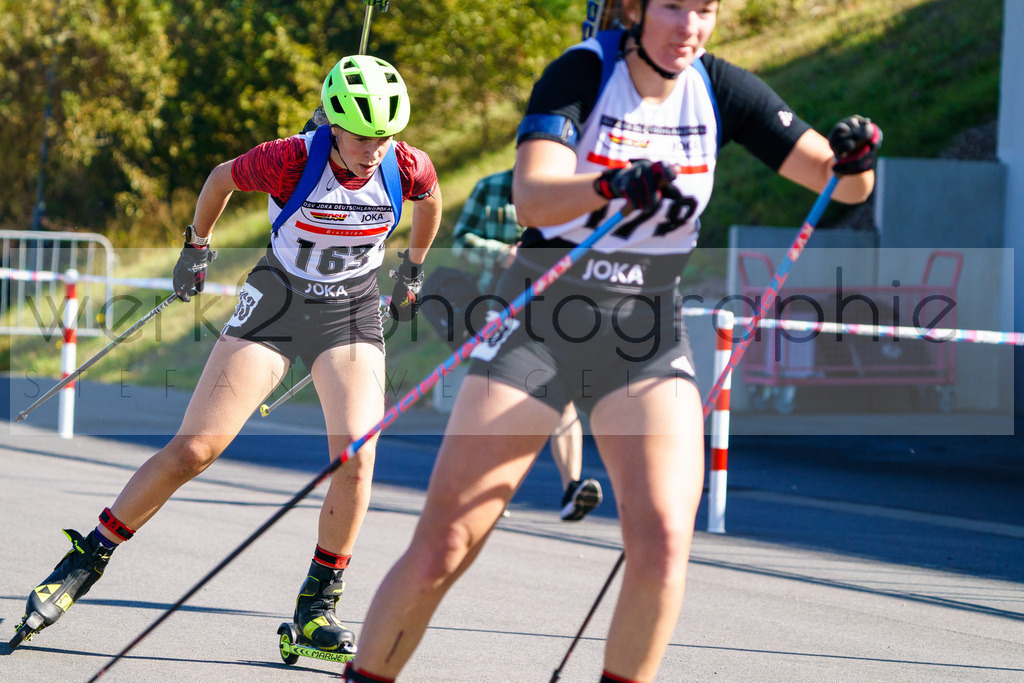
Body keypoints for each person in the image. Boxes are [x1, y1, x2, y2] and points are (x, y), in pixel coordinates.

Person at [345, 0, 880, 679]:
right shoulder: (582, 73)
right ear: (636, 7)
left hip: (644, 329)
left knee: (661, 540)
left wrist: (857, 159)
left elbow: (839, 185)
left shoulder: (722, 89)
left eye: (706, 8)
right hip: (543, 317)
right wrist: (611, 182)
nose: (690, 23)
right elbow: (533, 198)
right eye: (673, 6)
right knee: (448, 540)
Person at [11, 54, 442, 654]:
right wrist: (197, 246)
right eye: (364, 134)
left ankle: (317, 606)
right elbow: (220, 178)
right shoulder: (291, 158)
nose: (376, 149)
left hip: (349, 311)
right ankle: (87, 558)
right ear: (334, 122)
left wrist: (413, 270)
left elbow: (431, 197)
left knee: (357, 455)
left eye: (386, 135)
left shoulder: (404, 165)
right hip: (277, 304)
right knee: (196, 447)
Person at [451, 168, 603, 522]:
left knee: (559, 396)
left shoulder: (568, 186)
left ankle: (572, 488)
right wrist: (503, 254)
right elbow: (460, 241)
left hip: (557, 309)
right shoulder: (489, 187)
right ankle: (486, 488)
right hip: (499, 307)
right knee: (500, 399)